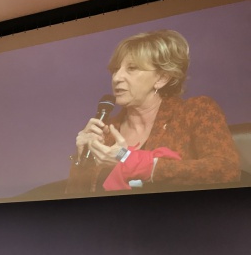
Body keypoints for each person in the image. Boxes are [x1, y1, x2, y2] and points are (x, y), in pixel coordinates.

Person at [66, 29, 240, 194]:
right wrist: (82, 159)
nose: (117, 78)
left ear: (162, 78)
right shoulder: (106, 130)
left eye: (132, 68)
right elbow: (75, 200)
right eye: (115, 70)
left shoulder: (195, 111)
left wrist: (128, 159)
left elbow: (226, 169)